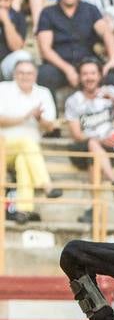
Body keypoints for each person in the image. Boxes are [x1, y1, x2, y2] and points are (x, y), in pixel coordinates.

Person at [65, 58, 114, 221]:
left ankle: (93, 208)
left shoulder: (109, 91)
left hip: (105, 151)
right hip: (80, 149)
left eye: (92, 73)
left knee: (94, 161)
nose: (89, 77)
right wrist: (99, 140)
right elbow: (77, 134)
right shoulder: (73, 100)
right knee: (92, 143)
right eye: (85, 74)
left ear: (99, 75)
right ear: (80, 76)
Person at [0, 59, 60, 225]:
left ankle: (23, 210)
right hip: (3, 146)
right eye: (21, 72)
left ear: (35, 75)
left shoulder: (43, 92)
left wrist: (39, 118)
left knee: (23, 161)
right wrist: (26, 116)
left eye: (29, 73)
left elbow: (50, 127)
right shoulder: (3, 89)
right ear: (14, 74)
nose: (25, 76)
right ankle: (47, 185)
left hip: (28, 152)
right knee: (27, 144)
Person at [36, 0, 114, 92]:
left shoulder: (90, 10)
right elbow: (45, 50)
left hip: (87, 63)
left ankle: (104, 111)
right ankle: (51, 111)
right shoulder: (48, 13)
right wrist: (68, 69)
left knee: (111, 78)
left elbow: (106, 33)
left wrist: (112, 59)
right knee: (44, 75)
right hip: (59, 64)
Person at [0, 0, 28, 81]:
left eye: (6, 0)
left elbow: (17, 47)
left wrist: (6, 21)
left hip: (6, 65)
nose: (2, 4)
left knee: (23, 56)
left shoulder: (18, 17)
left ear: (12, 0)